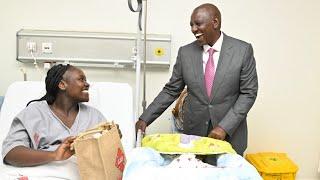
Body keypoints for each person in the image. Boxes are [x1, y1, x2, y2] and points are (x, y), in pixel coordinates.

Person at [136, 3, 258, 163]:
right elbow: (171, 90)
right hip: (194, 137)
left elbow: (248, 93)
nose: (193, 29)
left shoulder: (242, 51)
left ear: (215, 23)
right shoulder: (185, 53)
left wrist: (224, 127)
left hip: (231, 136)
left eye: (198, 24)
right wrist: (145, 118)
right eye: (191, 25)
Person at [1, 64, 114, 167]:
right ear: (62, 85)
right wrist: (54, 155)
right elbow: (10, 153)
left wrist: (113, 138)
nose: (87, 84)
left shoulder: (94, 116)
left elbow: (110, 153)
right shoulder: (34, 113)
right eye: (81, 79)